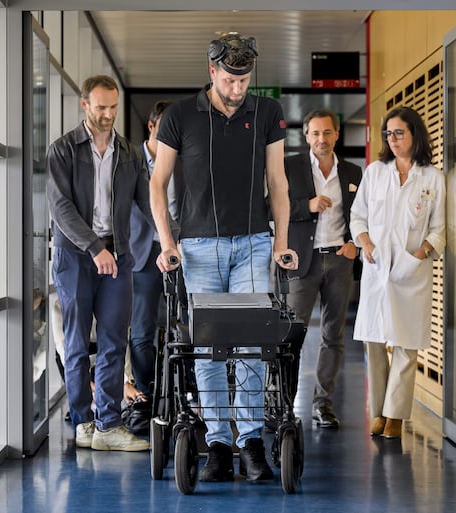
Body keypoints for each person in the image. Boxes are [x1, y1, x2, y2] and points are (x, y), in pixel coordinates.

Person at [150, 33, 298, 482]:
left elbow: (278, 182)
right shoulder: (178, 117)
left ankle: (251, 441)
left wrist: (282, 242)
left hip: (253, 242)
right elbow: (158, 184)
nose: (239, 88)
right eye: (231, 79)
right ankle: (216, 443)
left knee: (253, 341)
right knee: (209, 348)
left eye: (245, 79)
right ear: (212, 72)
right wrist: (167, 244)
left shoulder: (267, 113)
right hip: (196, 248)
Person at [47, 74, 150, 452]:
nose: (107, 114)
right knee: (75, 343)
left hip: (118, 255)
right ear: (84, 104)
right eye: (100, 107)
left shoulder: (127, 152)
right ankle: (83, 421)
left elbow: (146, 202)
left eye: (112, 107)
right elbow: (60, 208)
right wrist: (94, 248)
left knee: (113, 341)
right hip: (76, 256)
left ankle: (108, 423)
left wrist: (172, 240)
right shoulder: (63, 150)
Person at [349, 106, 445, 440]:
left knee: (405, 343)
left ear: (415, 134)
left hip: (411, 271)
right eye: (388, 133)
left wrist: (421, 253)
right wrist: (364, 242)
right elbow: (357, 216)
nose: (392, 139)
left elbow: (440, 226)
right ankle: (378, 410)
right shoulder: (375, 172)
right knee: (374, 340)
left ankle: (395, 416)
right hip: (376, 269)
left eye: (399, 133)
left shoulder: (432, 177)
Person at [283, 109, 363, 429]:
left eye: (327, 133)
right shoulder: (291, 167)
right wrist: (307, 206)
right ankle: (285, 404)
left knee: (333, 336)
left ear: (337, 134)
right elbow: (270, 206)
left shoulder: (354, 171)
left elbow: (365, 215)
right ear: (306, 137)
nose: (321, 139)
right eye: (315, 134)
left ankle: (322, 402)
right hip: (304, 259)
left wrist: (355, 243)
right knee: (292, 335)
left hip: (340, 261)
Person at [128, 100, 175, 399]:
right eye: (165, 128)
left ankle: (177, 395)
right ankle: (144, 394)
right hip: (143, 256)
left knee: (180, 327)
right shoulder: (130, 160)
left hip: (177, 255)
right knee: (143, 330)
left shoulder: (182, 160)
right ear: (151, 126)